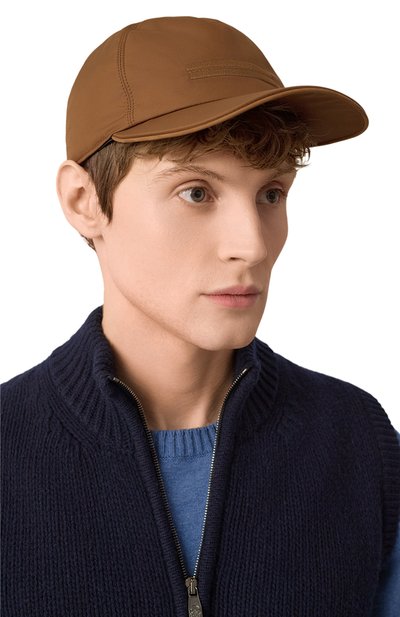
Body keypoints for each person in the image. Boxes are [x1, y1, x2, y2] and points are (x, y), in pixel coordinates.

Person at [1, 16, 399, 617]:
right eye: (196, 192)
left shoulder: (358, 441)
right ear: (84, 202)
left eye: (271, 194)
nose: (253, 245)